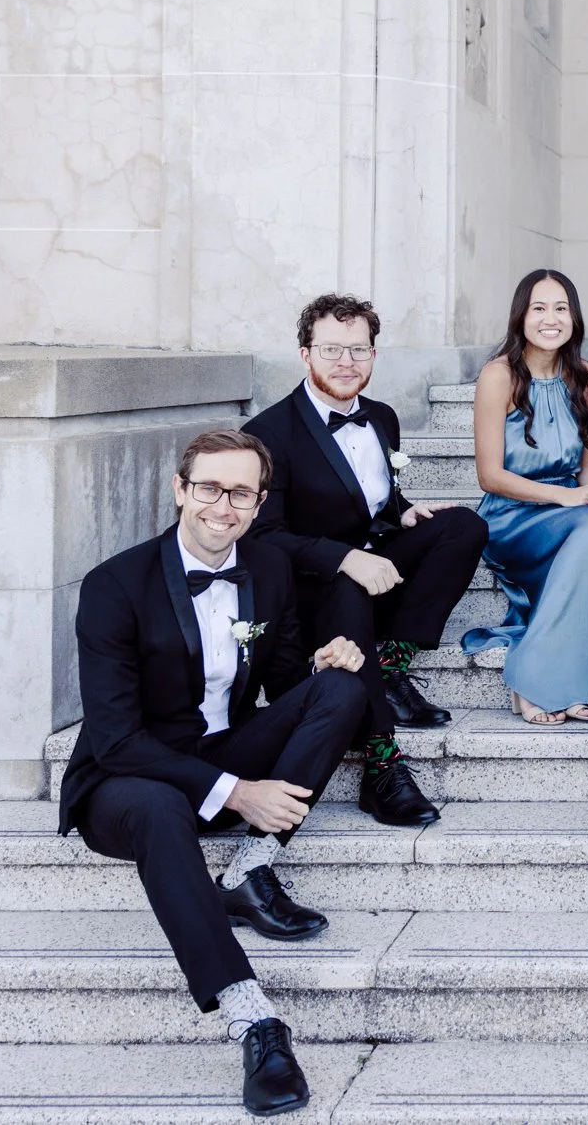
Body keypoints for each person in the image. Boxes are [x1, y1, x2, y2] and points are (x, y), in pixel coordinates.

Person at [59, 429, 371, 1117]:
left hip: (219, 749)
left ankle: (249, 870)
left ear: (259, 503)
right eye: (208, 488)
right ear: (180, 490)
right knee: (159, 808)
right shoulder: (116, 584)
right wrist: (239, 793)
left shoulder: (269, 568)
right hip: (124, 781)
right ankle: (254, 1019)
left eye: (240, 493)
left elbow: (282, 680)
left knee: (341, 689)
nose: (222, 507)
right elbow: (116, 739)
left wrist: (318, 668)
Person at [242, 293, 488, 828]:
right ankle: (381, 764)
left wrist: (401, 513)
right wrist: (345, 557)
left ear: (374, 355)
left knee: (463, 526)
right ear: (305, 354)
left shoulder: (381, 417)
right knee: (347, 583)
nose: (346, 362)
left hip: (373, 570)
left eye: (358, 350)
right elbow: (262, 538)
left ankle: (391, 664)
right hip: (313, 592)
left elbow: (369, 498)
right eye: (332, 349)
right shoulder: (268, 433)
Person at [465, 268, 588, 724]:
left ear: (575, 318)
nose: (551, 319)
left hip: (570, 508)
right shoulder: (499, 376)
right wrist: (562, 498)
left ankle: (578, 681)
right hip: (512, 515)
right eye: (539, 308)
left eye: (561, 308)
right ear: (521, 317)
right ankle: (534, 683)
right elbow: (489, 476)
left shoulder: (584, 377)